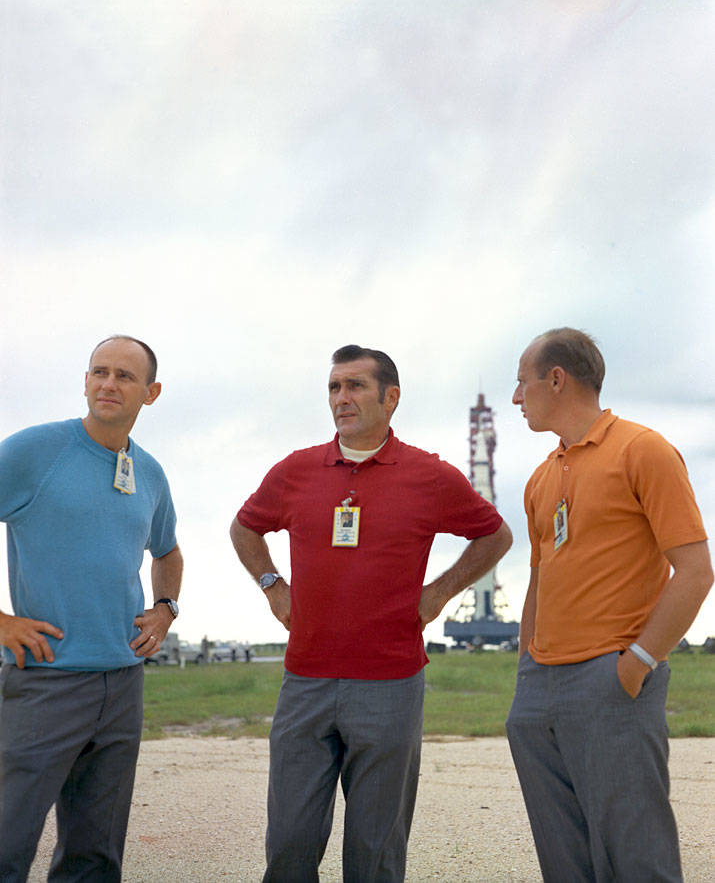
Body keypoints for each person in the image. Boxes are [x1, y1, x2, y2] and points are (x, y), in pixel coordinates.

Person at [230, 344, 512, 883]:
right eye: (334, 387)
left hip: (390, 682)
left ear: (391, 397)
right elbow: (245, 528)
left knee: (376, 848)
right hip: (305, 680)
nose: (342, 398)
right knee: (289, 842)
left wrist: (439, 592)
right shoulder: (296, 470)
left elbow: (494, 536)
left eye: (355, 386)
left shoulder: (430, 475)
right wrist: (273, 586)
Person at [506, 328, 713, 883]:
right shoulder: (539, 478)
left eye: (523, 381)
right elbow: (539, 580)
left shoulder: (643, 450)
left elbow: (695, 572)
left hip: (611, 681)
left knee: (636, 859)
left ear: (557, 379)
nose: (516, 397)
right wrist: (526, 672)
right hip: (539, 692)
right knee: (564, 864)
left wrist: (637, 663)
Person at [0, 335, 183, 882]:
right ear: (84, 381)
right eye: (99, 371)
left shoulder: (148, 473)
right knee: (6, 840)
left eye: (125, 376)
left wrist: (166, 608)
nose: (109, 383)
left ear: (150, 393)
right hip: (45, 681)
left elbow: (168, 551)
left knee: (95, 856)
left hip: (122, 683)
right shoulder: (33, 451)